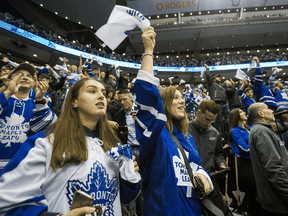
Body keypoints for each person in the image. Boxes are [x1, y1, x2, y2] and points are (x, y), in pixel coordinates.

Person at [0, 77, 141, 216]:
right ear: (74, 101)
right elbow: (7, 200)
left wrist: (127, 178)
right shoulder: (45, 142)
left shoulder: (114, 144)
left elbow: (123, 198)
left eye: (103, 94)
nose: (100, 96)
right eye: (92, 91)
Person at [135, 26, 213, 216]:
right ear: (163, 103)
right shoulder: (156, 132)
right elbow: (146, 93)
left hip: (192, 210)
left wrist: (204, 177)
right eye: (176, 97)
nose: (182, 101)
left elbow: (196, 166)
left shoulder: (187, 138)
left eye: (182, 98)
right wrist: (148, 51)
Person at [0, 63, 57, 170]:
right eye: (20, 75)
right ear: (8, 81)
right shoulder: (3, 98)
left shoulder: (37, 104)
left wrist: (39, 99)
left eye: (29, 76)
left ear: (33, 82)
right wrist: (8, 92)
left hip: (23, 169)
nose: (25, 77)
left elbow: (50, 123)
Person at [187, 99, 228, 216]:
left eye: (212, 120)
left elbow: (219, 154)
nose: (209, 123)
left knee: (219, 213)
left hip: (209, 180)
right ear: (198, 113)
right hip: (189, 181)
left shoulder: (214, 133)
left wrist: (221, 164)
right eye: (207, 119)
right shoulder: (184, 131)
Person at [248, 102, 288, 216]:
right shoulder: (261, 132)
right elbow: (273, 168)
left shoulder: (265, 130)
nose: (272, 111)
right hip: (277, 200)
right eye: (268, 109)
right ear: (261, 113)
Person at [227, 108, 260, 216]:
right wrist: (259, 147)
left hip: (257, 162)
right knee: (252, 195)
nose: (244, 113)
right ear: (236, 116)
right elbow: (245, 150)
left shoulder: (250, 128)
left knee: (261, 194)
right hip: (246, 165)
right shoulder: (235, 131)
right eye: (241, 112)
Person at [203, 64, 229, 136]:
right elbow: (208, 76)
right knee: (218, 120)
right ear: (214, 79)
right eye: (217, 77)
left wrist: (226, 102)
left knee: (228, 117)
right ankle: (219, 134)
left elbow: (224, 94)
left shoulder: (221, 86)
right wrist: (207, 69)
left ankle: (228, 131)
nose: (219, 78)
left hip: (224, 103)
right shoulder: (211, 84)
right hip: (217, 103)